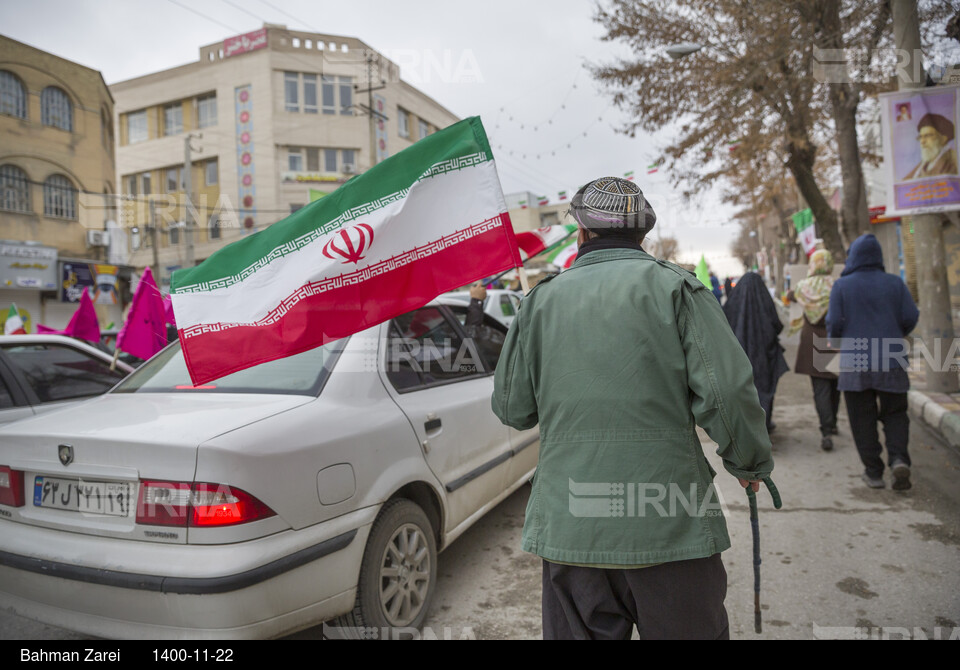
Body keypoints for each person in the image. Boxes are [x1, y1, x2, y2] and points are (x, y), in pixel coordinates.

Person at [491, 176, 774, 640]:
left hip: (572, 527)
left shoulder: (540, 301)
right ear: (642, 235)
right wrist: (748, 461)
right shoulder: (678, 289)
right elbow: (727, 392)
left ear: (581, 233)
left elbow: (512, 408)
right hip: (672, 524)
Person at [827, 234, 919, 490]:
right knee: (896, 414)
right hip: (891, 359)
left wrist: (836, 342)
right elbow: (911, 316)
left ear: (853, 257)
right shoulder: (895, 283)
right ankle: (899, 459)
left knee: (861, 418)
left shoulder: (842, 286)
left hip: (854, 363)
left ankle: (874, 472)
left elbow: (834, 322)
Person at [722, 272, 789, 434]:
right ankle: (764, 423)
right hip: (765, 355)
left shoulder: (733, 303)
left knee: (743, 391)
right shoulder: (765, 299)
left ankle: (746, 429)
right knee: (764, 389)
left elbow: (723, 325)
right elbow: (777, 325)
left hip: (739, 355)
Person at [787, 249, 840, 451]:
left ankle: (826, 430)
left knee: (820, 387)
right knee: (836, 382)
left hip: (812, 340)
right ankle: (833, 422)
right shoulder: (837, 285)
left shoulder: (803, 287)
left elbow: (789, 295)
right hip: (835, 339)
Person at [903, 113, 958, 180]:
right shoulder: (923, 164)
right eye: (920, 137)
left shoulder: (955, 160)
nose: (922, 142)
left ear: (943, 139)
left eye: (927, 135)